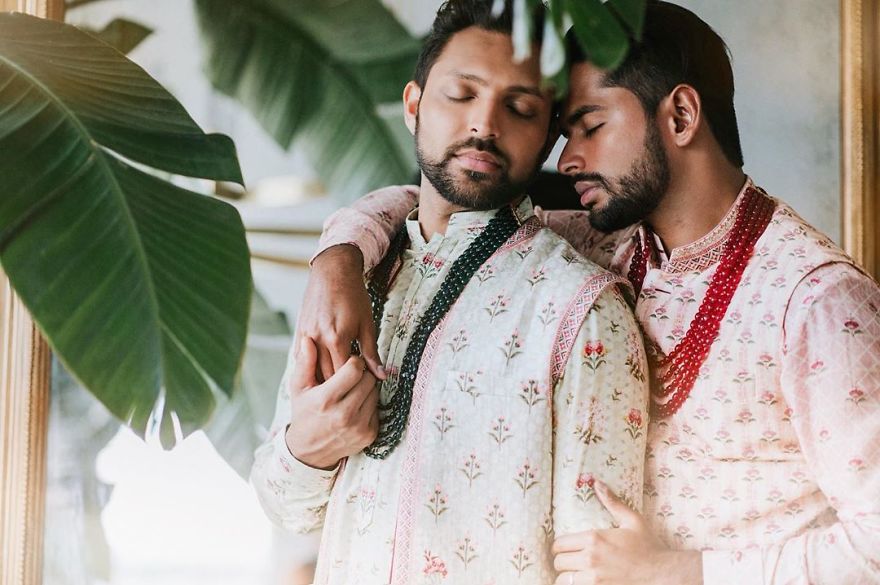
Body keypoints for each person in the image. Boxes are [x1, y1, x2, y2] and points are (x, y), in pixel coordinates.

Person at [298, 2, 880, 584]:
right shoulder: (607, 246)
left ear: (679, 116)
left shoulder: (817, 303)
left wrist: (680, 573)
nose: (568, 159)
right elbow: (445, 201)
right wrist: (339, 256)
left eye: (591, 126)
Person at [251, 2, 649, 584]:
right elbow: (283, 505)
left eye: (519, 107)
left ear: (545, 137)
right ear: (414, 105)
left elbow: (597, 571)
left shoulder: (581, 312)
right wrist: (308, 448)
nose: (484, 124)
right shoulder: (351, 283)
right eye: (461, 95)